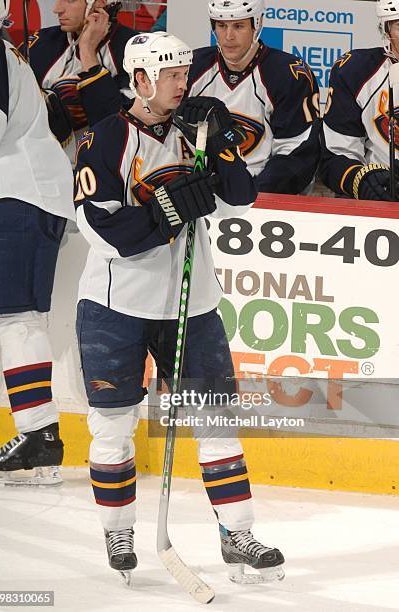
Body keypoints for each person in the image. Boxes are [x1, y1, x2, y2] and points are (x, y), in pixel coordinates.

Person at [74, 31, 285, 584]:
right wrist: (165, 214)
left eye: (184, 72)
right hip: (115, 305)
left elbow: (240, 194)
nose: (181, 83)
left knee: (216, 420)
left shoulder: (196, 129)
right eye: (169, 75)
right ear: (139, 80)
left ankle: (237, 532)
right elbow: (103, 226)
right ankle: (118, 530)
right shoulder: (104, 138)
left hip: (193, 304)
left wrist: (219, 143)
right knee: (113, 428)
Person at [0, 0, 75, 486]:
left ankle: (38, 437)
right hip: (20, 193)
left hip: (20, 194)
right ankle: (37, 435)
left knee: (17, 316)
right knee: (14, 316)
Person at [186, 0, 320, 195]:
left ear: (257, 24)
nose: (228, 36)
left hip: (261, 193)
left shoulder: (288, 74)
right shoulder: (192, 67)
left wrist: (248, 195)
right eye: (221, 26)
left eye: (239, 26)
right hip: (202, 192)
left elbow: (296, 155)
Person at [21, 0, 138, 159]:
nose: (57, 9)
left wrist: (87, 51)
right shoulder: (40, 42)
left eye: (70, 0)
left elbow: (117, 128)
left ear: (100, 3)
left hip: (102, 168)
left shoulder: (135, 50)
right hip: (44, 166)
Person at [319, 0, 399, 201]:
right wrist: (363, 181)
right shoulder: (356, 71)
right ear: (386, 29)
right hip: (382, 197)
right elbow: (335, 156)